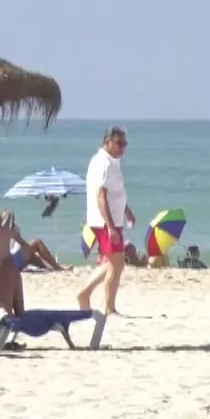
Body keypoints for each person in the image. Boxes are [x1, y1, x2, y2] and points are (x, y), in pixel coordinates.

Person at [76, 127, 135, 316]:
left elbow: (115, 191)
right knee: (117, 263)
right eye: (119, 143)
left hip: (113, 220)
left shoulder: (113, 162)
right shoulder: (103, 162)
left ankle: (84, 294)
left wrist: (127, 211)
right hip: (104, 221)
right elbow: (101, 195)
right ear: (107, 142)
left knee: (113, 263)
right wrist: (110, 226)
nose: (123, 148)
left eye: (125, 144)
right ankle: (109, 307)